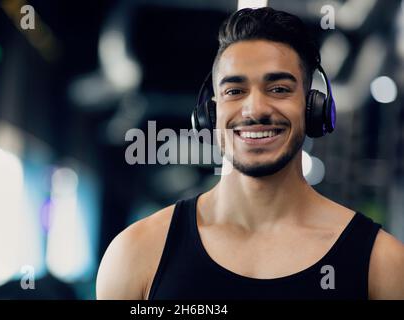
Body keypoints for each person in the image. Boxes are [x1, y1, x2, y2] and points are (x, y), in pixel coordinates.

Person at [96, 7, 404, 300]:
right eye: (234, 91)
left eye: (279, 89)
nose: (255, 109)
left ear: (313, 108)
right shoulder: (137, 253)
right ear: (210, 113)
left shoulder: (381, 263)